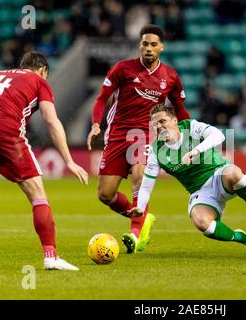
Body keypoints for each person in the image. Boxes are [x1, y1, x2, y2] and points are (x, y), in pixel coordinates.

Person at [0, 51, 89, 270]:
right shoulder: (39, 81)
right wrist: (69, 160)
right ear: (43, 71)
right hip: (7, 135)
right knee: (38, 195)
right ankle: (51, 256)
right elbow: (50, 120)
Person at [87, 24, 190, 254]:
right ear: (139, 45)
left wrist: (189, 134)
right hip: (117, 134)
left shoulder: (170, 77)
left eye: (154, 44)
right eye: (145, 44)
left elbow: (180, 109)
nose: (149, 48)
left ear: (161, 47)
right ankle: (143, 217)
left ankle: (136, 233)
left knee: (139, 174)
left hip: (145, 133)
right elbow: (101, 98)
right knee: (105, 194)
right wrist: (96, 123)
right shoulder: (122, 69)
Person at [129, 104, 246, 252]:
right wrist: (140, 208)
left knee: (235, 174)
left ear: (174, 121)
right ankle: (243, 239)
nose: (159, 126)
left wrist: (196, 151)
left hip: (219, 175)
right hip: (200, 192)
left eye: (162, 121)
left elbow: (219, 135)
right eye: (155, 124)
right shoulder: (156, 150)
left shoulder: (190, 127)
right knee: (203, 224)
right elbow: (147, 185)